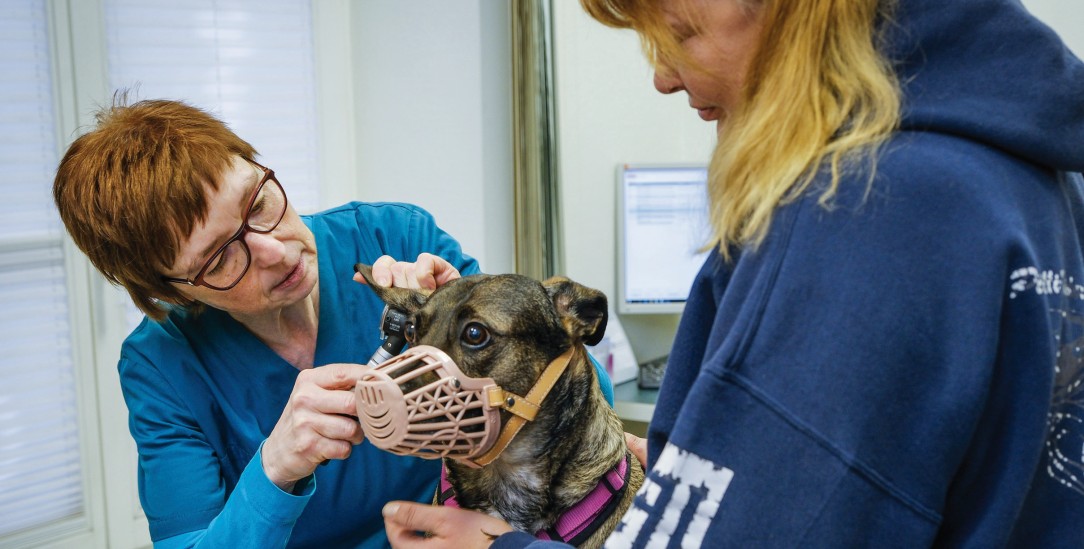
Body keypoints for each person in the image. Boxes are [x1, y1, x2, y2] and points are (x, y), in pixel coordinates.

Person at [380, 0, 1084, 547]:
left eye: (678, 33)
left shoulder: (856, 205)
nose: (661, 75)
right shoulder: (1025, 175)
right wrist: (710, 450)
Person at [53, 97, 614, 548]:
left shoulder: (396, 240)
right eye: (222, 258)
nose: (275, 250)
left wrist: (457, 329)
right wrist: (275, 467)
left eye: (259, 201)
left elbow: (580, 396)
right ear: (167, 290)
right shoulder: (163, 365)